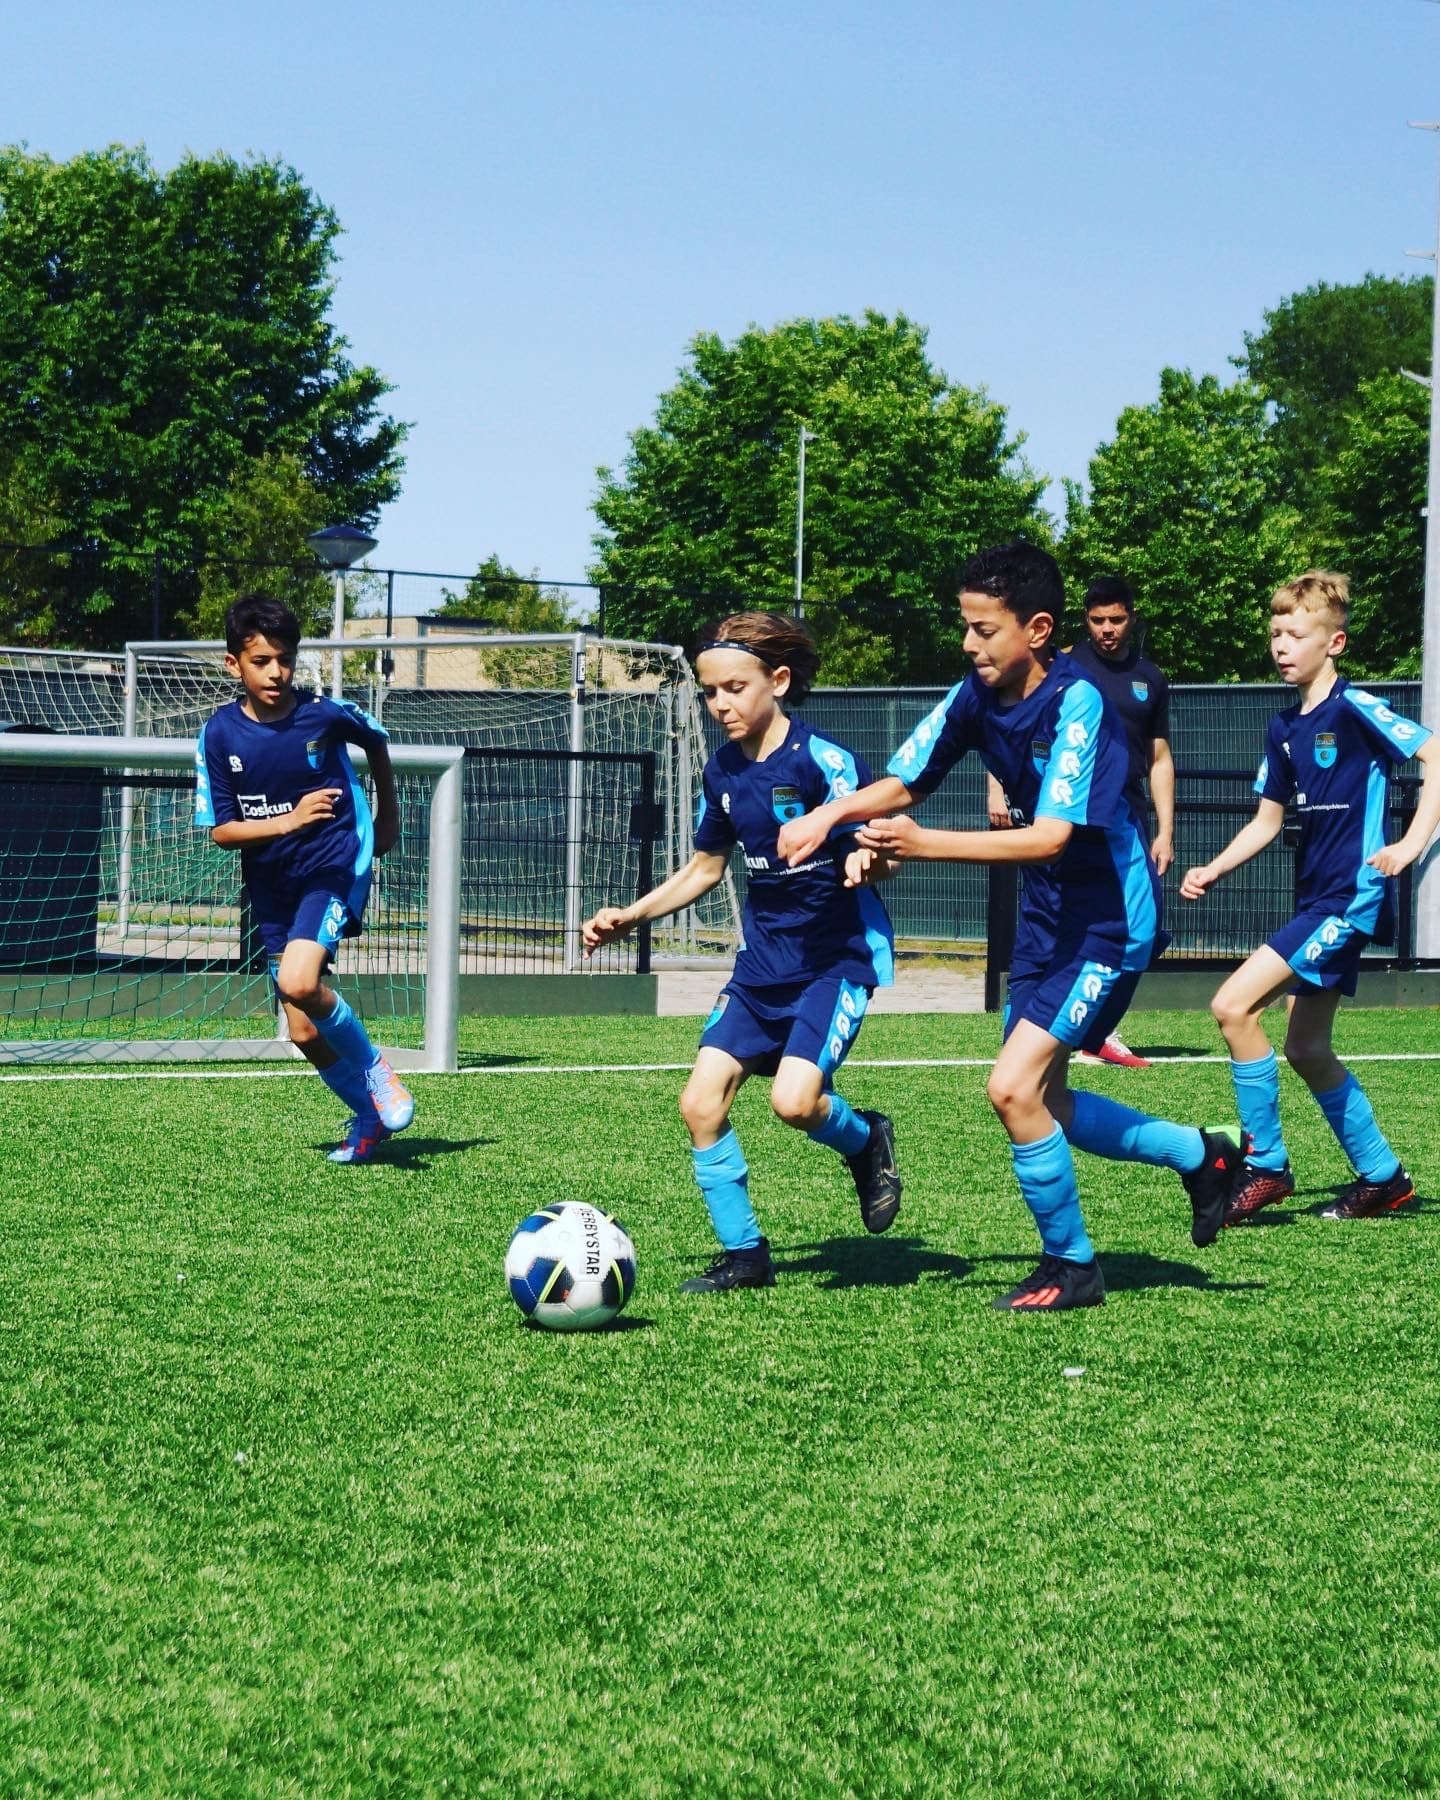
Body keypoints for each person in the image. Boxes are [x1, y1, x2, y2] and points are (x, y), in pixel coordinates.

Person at [777, 541, 1240, 1312]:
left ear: (1037, 629)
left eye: (983, 629)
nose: (968, 643)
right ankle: (1203, 1158)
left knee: (1011, 1088)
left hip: (1107, 924)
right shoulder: (975, 693)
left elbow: (1052, 837)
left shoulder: (1079, 700)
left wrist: (922, 843)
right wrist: (830, 813)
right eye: (965, 626)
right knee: (1047, 1103)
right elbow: (906, 779)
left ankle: (1073, 1266)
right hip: (1046, 925)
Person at [581, 611, 901, 1294]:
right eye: (710, 691)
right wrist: (629, 915)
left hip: (835, 960)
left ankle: (865, 1138)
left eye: (734, 687)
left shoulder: (826, 762)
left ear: (778, 680)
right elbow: (704, 869)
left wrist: (866, 867)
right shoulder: (722, 771)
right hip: (761, 967)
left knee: (794, 1103)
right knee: (700, 1103)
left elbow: (886, 851)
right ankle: (746, 1255)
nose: (720, 704)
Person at [1181, 570, 1439, 1221]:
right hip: (1315, 903)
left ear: (1336, 642)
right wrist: (1213, 868)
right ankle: (1383, 1177)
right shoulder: (1283, 727)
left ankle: (1266, 1165)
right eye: (1275, 633)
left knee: (1232, 1005)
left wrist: (1409, 846)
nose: (1282, 644)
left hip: (1347, 902)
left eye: (1297, 633)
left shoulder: (1356, 710)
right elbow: (1267, 823)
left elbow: (1436, 756)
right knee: (1305, 1049)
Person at [195, 594, 415, 1164]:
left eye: (284, 659)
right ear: (233, 664)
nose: (275, 672)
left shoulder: (323, 714)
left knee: (297, 982)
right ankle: (369, 1115)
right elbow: (220, 831)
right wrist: (287, 820)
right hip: (272, 885)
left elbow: (378, 742)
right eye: (261, 660)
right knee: (301, 1032)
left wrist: (387, 817)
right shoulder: (218, 736)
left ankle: (375, 1071)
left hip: (333, 864)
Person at [988, 574, 1173, 1068]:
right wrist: (997, 787)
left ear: (1131, 617)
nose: (1108, 629)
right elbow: (1009, 721)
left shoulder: (1149, 679)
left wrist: (1167, 830)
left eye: (1116, 619)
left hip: (1122, 818)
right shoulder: (1064, 668)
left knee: (1143, 932)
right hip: (1057, 810)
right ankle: (1029, 1029)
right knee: (1046, 920)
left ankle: (1091, 1029)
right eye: (1097, 620)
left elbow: (1159, 758)